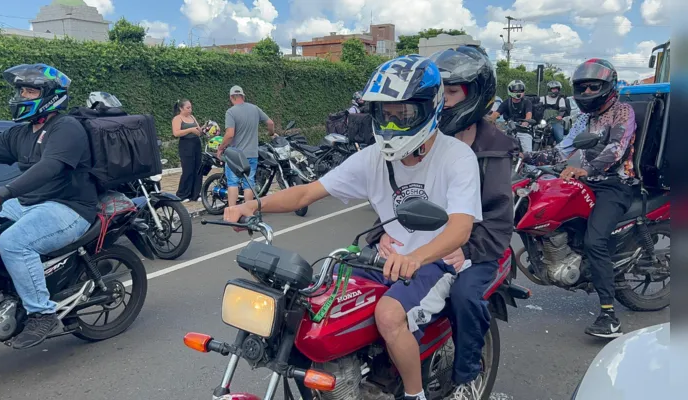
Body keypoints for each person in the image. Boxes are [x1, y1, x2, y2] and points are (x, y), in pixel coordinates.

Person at [224, 55, 483, 400]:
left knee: (389, 316)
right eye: (384, 114)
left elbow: (461, 227)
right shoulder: (372, 157)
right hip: (383, 257)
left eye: (403, 114)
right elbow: (308, 191)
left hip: (433, 261)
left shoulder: (457, 156)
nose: (392, 125)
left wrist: (416, 257)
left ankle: (414, 394)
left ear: (429, 107)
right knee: (316, 305)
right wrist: (253, 205)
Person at [365, 46, 516, 399]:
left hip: (475, 249)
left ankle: (467, 377)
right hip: (424, 244)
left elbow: (497, 217)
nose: (443, 100)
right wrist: (382, 231)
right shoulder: (418, 136)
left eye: (452, 93)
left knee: (464, 295)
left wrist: (465, 249)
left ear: (474, 96)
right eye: (439, 92)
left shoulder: (493, 149)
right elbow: (394, 194)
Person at [0, 63, 98, 349]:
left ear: (50, 96)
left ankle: (42, 313)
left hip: (68, 208)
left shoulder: (67, 128)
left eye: (30, 90)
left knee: (13, 241)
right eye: (21, 90)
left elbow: (49, 168)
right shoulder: (19, 133)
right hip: (28, 205)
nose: (22, 95)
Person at [523, 59, 637, 338]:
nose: (586, 92)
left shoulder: (623, 112)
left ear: (608, 86)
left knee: (595, 241)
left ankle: (609, 315)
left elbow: (615, 149)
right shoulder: (586, 118)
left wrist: (587, 168)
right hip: (588, 182)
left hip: (615, 184)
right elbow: (564, 147)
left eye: (592, 87)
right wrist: (526, 156)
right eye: (581, 87)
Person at [217, 85, 276, 207]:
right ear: (243, 96)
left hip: (235, 156)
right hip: (252, 153)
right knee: (249, 182)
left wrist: (221, 148)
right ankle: (248, 210)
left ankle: (232, 210)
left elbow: (229, 134)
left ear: (231, 97)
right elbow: (270, 123)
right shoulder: (255, 109)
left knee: (233, 183)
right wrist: (270, 133)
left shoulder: (231, 112)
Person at [172, 99, 204, 202]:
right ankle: (183, 194)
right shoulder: (177, 118)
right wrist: (190, 130)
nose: (190, 110)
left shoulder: (192, 117)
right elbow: (176, 133)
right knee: (188, 170)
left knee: (198, 169)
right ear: (181, 108)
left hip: (196, 144)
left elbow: (198, 131)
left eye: (191, 107)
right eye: (188, 108)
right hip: (186, 145)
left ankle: (195, 194)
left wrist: (205, 129)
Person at [489, 80, 534, 152]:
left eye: (520, 90)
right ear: (510, 90)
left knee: (527, 153)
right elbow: (496, 113)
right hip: (509, 130)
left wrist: (525, 122)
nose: (518, 92)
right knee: (499, 148)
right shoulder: (506, 102)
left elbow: (529, 114)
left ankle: (528, 160)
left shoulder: (527, 102)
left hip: (523, 130)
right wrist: (489, 120)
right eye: (515, 90)